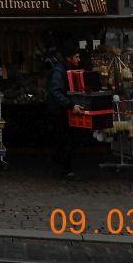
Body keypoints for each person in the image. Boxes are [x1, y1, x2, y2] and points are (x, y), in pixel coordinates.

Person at [47, 44, 85, 180]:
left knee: (66, 141)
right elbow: (55, 92)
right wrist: (69, 104)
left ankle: (59, 163)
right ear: (69, 58)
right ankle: (66, 170)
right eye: (76, 57)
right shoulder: (59, 71)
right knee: (66, 140)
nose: (79, 59)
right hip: (59, 112)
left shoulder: (67, 69)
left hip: (65, 110)